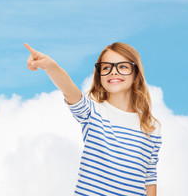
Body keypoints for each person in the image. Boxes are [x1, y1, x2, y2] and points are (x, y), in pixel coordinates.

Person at [24, 42, 162, 196]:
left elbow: (149, 178)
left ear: (136, 73)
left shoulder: (152, 127)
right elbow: (69, 90)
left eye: (122, 66)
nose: (113, 72)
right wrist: (50, 66)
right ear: (99, 76)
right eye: (106, 68)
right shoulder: (92, 112)